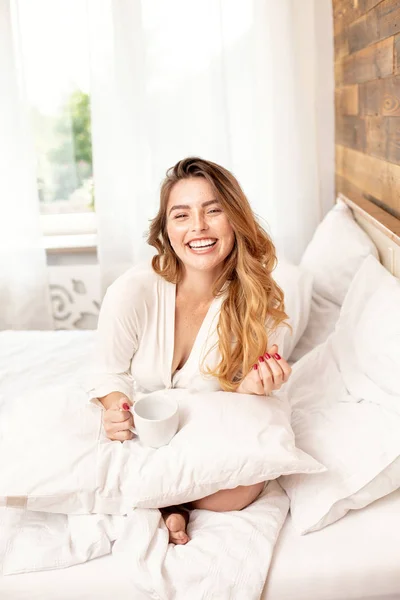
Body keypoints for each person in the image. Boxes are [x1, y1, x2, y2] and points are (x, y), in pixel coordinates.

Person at [86, 157, 292, 545]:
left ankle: (171, 500)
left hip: (203, 429)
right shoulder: (133, 291)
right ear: (166, 230)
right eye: (181, 215)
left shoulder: (257, 305)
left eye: (213, 211)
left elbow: (234, 407)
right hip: (141, 436)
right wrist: (116, 407)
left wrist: (250, 388)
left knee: (244, 486)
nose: (198, 227)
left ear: (235, 219)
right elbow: (106, 371)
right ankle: (170, 498)